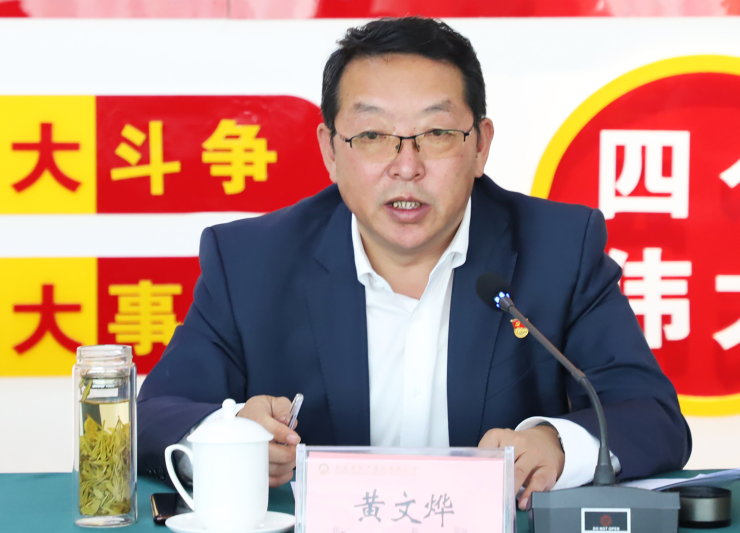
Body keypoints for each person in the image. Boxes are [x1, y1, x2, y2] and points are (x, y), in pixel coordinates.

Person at [138, 17, 691, 510]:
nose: (407, 166)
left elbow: (652, 416)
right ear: (331, 150)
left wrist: (555, 444)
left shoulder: (559, 249)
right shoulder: (251, 261)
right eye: (372, 135)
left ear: (480, 146)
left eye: (437, 133)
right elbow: (154, 416)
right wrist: (230, 437)